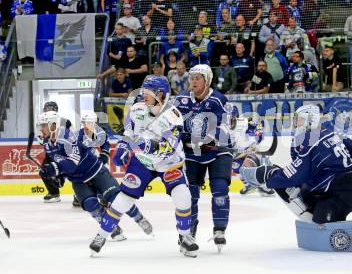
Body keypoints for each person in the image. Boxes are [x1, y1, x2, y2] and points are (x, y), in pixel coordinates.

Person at [240, 105, 352, 253]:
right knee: (305, 196)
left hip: (337, 193)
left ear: (310, 120)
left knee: (322, 228)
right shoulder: (330, 133)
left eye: (299, 120)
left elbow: (298, 174)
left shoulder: (308, 139)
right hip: (344, 188)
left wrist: (268, 178)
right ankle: (340, 220)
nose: (296, 123)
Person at [89, 76, 197, 257]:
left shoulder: (174, 116)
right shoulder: (137, 109)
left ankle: (185, 236)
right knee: (123, 199)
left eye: (148, 92)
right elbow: (129, 133)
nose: (143, 95)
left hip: (169, 163)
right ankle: (101, 235)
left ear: (160, 94)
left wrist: (148, 146)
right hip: (142, 162)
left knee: (183, 196)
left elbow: (168, 148)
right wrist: (123, 147)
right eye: (143, 91)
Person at [37, 110, 153, 246]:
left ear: (53, 125)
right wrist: (57, 176)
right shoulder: (47, 144)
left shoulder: (67, 137)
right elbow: (60, 162)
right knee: (90, 204)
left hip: (95, 171)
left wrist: (54, 169)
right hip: (78, 180)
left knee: (115, 198)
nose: (41, 128)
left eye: (44, 125)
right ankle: (112, 227)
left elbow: (72, 164)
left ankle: (139, 218)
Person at [175, 64, 233, 252]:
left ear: (207, 80)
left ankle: (219, 230)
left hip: (216, 150)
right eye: (192, 78)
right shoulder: (181, 100)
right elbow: (171, 123)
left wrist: (211, 136)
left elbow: (225, 126)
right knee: (189, 195)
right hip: (191, 153)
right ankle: (189, 230)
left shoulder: (218, 99)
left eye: (198, 78)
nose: (193, 81)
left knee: (220, 190)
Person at [228, 106, 274, 196]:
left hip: (251, 149)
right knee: (235, 166)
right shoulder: (222, 126)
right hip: (237, 152)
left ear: (235, 117)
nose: (229, 121)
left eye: (231, 118)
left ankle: (264, 185)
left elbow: (258, 133)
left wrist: (256, 136)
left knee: (255, 161)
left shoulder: (245, 123)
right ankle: (249, 184)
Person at [37, 101, 71, 204]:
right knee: (44, 171)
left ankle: (80, 193)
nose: (49, 110)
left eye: (51, 108)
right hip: (50, 152)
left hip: (63, 152)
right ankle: (54, 193)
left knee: (72, 171)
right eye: (47, 109)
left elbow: (68, 136)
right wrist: (42, 140)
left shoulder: (65, 121)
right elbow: (41, 136)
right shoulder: (42, 120)